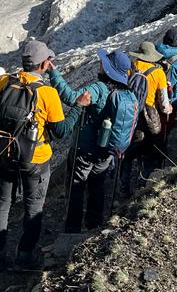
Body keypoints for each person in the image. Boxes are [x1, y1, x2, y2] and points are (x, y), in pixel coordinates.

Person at [0, 40, 80, 271]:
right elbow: (61, 131)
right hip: (35, 159)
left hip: (5, 153)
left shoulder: (4, 82)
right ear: (44, 64)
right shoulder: (47, 93)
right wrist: (79, 106)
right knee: (34, 207)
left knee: (2, 204)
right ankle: (24, 257)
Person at [49, 49, 137, 232]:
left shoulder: (98, 89)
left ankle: (71, 231)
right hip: (106, 152)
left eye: (102, 64)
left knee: (75, 190)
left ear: (107, 69)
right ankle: (93, 226)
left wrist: (53, 73)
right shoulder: (126, 92)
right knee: (98, 188)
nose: (99, 65)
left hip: (84, 151)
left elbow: (70, 97)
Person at [121, 41, 172, 191]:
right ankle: (142, 184)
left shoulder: (131, 66)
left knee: (129, 153)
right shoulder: (159, 73)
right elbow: (163, 103)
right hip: (149, 116)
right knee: (149, 150)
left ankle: (124, 186)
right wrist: (168, 109)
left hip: (131, 112)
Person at [157, 28, 177, 158]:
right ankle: (161, 147)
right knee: (166, 125)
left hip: (152, 95)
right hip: (171, 98)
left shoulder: (154, 51)